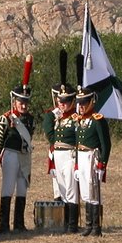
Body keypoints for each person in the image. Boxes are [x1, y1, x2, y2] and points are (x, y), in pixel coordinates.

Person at [0, 56, 36, 233]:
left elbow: (30, 136)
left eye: (26, 102)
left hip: (24, 155)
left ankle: (19, 223)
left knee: (22, 188)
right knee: (8, 187)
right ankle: (3, 225)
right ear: (14, 102)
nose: (24, 105)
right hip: (10, 154)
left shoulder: (31, 120)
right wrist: (0, 156)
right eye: (21, 102)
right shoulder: (6, 117)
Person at [44, 52, 80, 233]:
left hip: (70, 153)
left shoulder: (76, 117)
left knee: (72, 188)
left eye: (65, 102)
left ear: (72, 101)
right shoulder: (55, 115)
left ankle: (73, 224)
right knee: (62, 187)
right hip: (57, 153)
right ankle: (66, 221)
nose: (62, 105)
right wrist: (55, 114)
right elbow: (49, 131)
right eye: (60, 101)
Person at [74, 85, 112, 237]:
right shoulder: (80, 121)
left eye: (84, 102)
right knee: (85, 191)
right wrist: (77, 164)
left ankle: (96, 227)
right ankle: (88, 225)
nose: (81, 106)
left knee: (93, 190)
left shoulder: (98, 120)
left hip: (92, 157)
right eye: (79, 102)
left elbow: (105, 144)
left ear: (91, 102)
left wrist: (102, 163)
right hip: (82, 156)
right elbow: (77, 144)